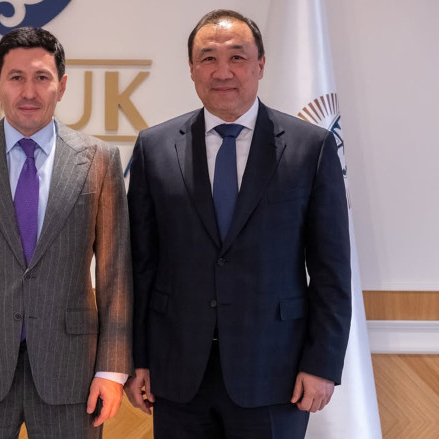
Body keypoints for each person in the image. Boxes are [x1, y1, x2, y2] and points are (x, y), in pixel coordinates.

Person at [125, 9, 351, 439]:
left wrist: (322, 364)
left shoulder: (311, 147)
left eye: (237, 57)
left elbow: (331, 270)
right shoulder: (155, 147)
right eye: (208, 58)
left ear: (260, 65)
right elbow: (141, 265)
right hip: (176, 372)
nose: (223, 71)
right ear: (192, 69)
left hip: (276, 372)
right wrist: (138, 358)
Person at [0, 26, 133, 439]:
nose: (29, 91)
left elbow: (115, 275)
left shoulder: (100, 159)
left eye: (42, 77)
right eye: (16, 77)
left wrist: (111, 369)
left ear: (62, 85)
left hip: (72, 368)